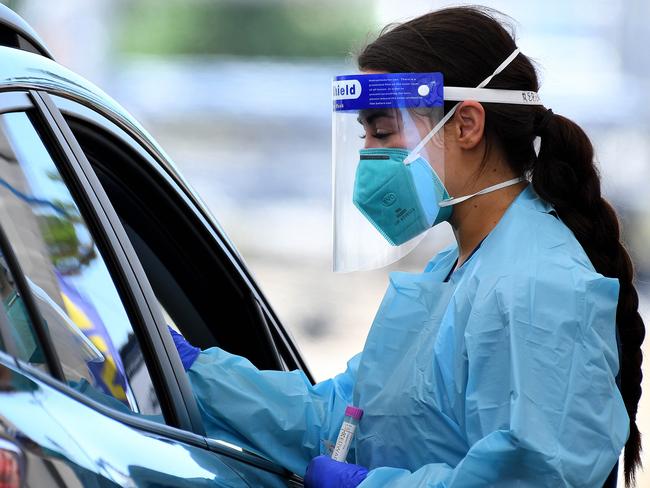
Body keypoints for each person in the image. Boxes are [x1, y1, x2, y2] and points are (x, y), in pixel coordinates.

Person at [171, 6, 645, 487]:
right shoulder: (455, 270)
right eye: (364, 134)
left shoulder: (539, 285)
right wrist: (194, 372)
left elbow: (535, 476)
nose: (369, 157)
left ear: (466, 125)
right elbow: (348, 420)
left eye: (383, 131)